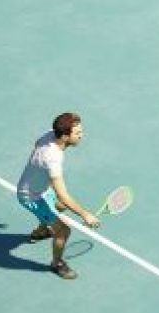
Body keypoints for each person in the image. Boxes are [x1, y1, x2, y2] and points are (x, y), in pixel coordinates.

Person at [17, 112, 99, 280]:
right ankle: (57, 263)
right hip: (32, 197)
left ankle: (41, 232)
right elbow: (64, 196)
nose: (81, 136)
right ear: (64, 136)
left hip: (40, 188)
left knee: (59, 206)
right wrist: (85, 215)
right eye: (77, 133)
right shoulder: (53, 159)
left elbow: (37, 143)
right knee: (63, 231)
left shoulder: (50, 135)